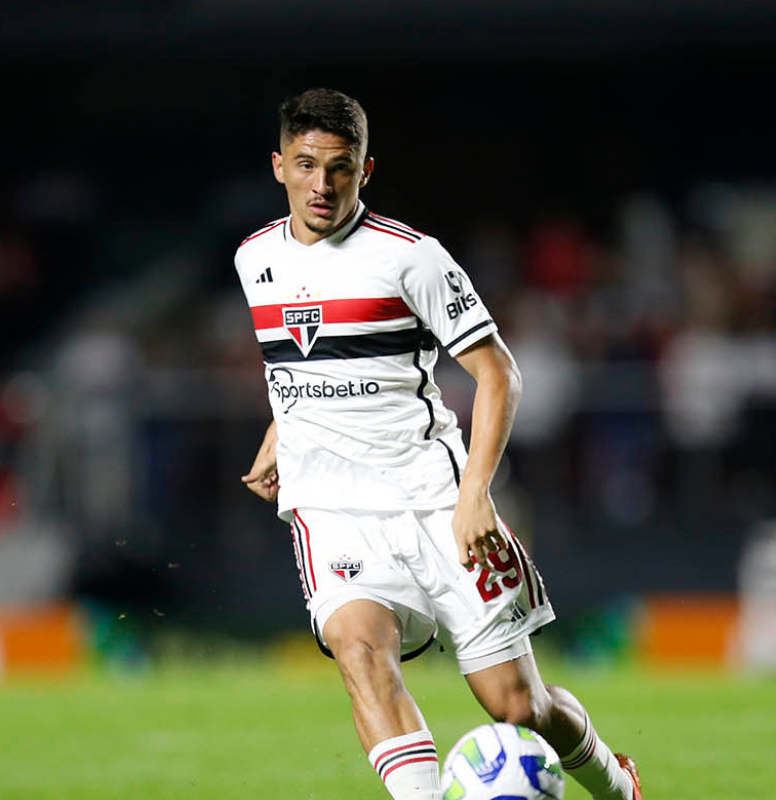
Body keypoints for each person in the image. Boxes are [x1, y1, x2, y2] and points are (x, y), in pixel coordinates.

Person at [236, 88, 642, 800]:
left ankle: (615, 784)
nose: (321, 184)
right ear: (278, 166)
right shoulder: (254, 259)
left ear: (366, 169)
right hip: (329, 508)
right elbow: (299, 364)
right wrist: (281, 430)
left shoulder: (412, 259)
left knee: (518, 705)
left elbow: (498, 375)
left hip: (433, 501)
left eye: (340, 167)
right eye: (305, 165)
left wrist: (475, 495)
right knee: (361, 652)